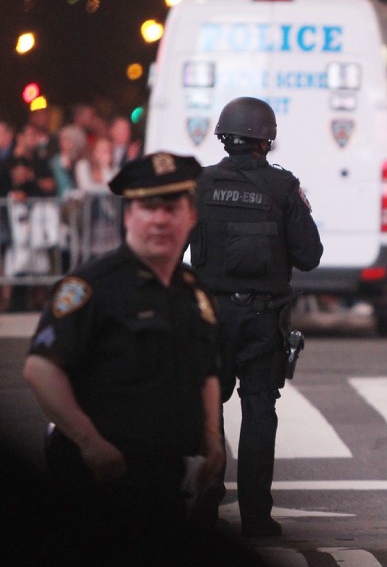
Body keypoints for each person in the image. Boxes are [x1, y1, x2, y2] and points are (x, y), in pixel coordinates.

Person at [21, 153, 226, 560]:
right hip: (97, 479)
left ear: (191, 217)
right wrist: (91, 443)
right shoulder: (92, 286)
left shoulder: (194, 292)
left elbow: (206, 371)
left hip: (166, 478)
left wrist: (211, 437)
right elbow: (40, 369)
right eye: (148, 207)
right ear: (129, 215)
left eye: (171, 208)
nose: (160, 220)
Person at [190, 96, 323, 537]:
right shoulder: (283, 187)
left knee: (208, 410)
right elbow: (309, 255)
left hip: (210, 317)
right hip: (263, 319)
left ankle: (205, 502)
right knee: (260, 411)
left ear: (223, 136)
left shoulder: (200, 184)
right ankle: (256, 517)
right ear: (267, 139)